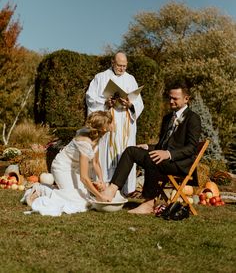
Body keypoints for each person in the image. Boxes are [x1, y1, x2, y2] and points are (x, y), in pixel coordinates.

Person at [102, 82, 202, 214]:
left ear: (186, 99)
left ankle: (149, 203)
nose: (171, 101)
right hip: (164, 160)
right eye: (170, 98)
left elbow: (191, 148)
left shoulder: (193, 118)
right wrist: (148, 146)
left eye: (175, 99)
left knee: (153, 158)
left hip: (179, 163)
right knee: (131, 150)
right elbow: (162, 145)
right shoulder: (168, 118)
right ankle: (112, 190)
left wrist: (168, 154)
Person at [22, 111, 113, 216]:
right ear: (104, 128)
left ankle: (52, 189)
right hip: (62, 167)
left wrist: (101, 181)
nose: (113, 124)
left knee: (85, 196)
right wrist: (100, 196)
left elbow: (96, 163)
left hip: (75, 169)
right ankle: (40, 189)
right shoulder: (85, 141)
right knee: (79, 200)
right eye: (111, 122)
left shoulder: (98, 136)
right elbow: (84, 178)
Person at [86, 52, 144, 195]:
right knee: (106, 152)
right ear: (113, 62)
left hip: (125, 122)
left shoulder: (131, 79)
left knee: (126, 151)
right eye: (119, 65)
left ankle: (126, 189)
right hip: (109, 120)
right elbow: (90, 98)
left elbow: (139, 103)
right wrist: (105, 102)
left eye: (124, 66)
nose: (122, 68)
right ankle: (104, 184)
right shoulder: (100, 77)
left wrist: (130, 104)